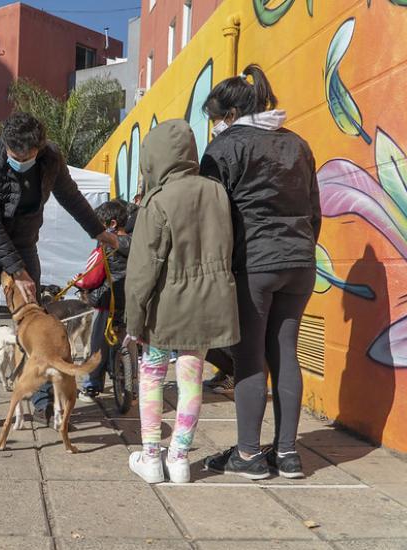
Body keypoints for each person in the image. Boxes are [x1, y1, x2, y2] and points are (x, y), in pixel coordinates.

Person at [200, 65, 321, 480]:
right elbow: (314, 210)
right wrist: (299, 248)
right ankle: (287, 453)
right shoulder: (299, 144)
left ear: (231, 113)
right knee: (285, 352)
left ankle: (248, 454)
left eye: (215, 117)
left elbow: (211, 215)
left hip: (253, 264)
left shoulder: (224, 147)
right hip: (300, 262)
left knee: (249, 356)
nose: (214, 125)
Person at [0, 111, 119, 432]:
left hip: (23, 243)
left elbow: (71, 197)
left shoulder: (51, 159)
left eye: (26, 157)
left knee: (39, 320)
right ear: (5, 145)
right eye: (14, 156)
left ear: (39, 148)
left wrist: (98, 231)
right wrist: (18, 271)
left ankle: (42, 403)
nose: (19, 161)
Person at [125, 120, 239, 484]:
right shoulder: (217, 192)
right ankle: (179, 459)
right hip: (209, 304)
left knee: (152, 376)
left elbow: (143, 269)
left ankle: (151, 458)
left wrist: (133, 321)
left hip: (166, 307)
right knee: (191, 379)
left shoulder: (158, 200)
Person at [77, 200, 132, 401]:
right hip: (132, 303)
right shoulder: (138, 243)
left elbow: (91, 277)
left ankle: (92, 385)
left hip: (108, 302)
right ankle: (133, 383)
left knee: (98, 344)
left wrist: (81, 284)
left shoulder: (106, 246)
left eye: (100, 225)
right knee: (129, 342)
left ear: (112, 224)